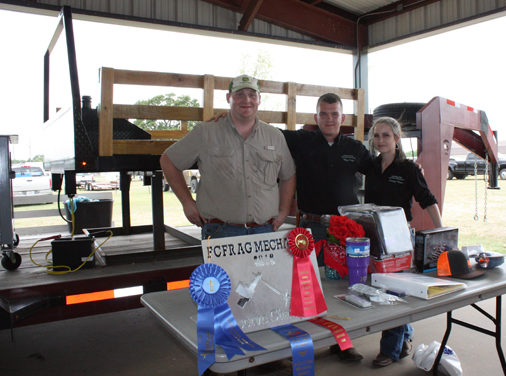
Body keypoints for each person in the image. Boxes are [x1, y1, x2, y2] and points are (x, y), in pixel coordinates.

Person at [282, 92, 371, 362]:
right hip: (310, 228)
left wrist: (407, 169)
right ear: (316, 117)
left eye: (334, 114)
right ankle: (300, 343)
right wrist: (226, 119)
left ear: (342, 117)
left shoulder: (355, 149)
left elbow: (380, 170)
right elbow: (266, 132)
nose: (330, 119)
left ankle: (343, 343)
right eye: (324, 114)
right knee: (305, 286)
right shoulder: (301, 141)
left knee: (345, 287)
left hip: (346, 228)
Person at [160, 74, 296, 240]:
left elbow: (288, 175)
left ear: (259, 99)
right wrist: (187, 203)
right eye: (239, 95)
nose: (246, 100)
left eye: (252, 95)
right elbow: (168, 161)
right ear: (228, 98)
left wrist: (283, 211)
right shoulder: (206, 132)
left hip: (264, 231)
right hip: (220, 232)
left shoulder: (275, 136)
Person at [365, 116, 443, 368]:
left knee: (394, 290)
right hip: (375, 235)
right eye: (376, 136)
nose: (380, 140)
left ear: (397, 138)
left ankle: (390, 349)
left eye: (386, 135)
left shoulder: (409, 169)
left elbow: (427, 199)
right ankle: (404, 336)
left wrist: (441, 231)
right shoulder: (371, 166)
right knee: (381, 288)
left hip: (399, 237)